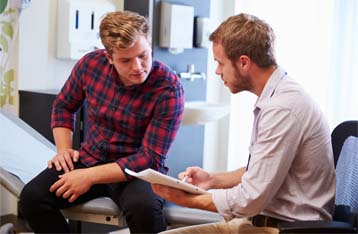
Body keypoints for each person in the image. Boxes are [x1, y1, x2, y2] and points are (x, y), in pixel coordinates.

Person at [152, 13, 336, 234]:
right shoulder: (276, 96)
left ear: (244, 62)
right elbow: (259, 172)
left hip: (286, 229)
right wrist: (212, 179)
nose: (217, 71)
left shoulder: (282, 108)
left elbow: (250, 198)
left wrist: (186, 199)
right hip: (260, 222)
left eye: (220, 63)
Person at [19, 11, 184, 233]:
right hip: (90, 158)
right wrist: (64, 150)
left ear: (150, 46)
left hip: (136, 172)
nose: (138, 67)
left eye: (143, 55)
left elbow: (150, 158)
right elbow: (64, 106)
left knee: (144, 208)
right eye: (125, 60)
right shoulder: (90, 65)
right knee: (32, 198)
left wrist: (88, 176)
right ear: (108, 57)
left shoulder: (168, 88)